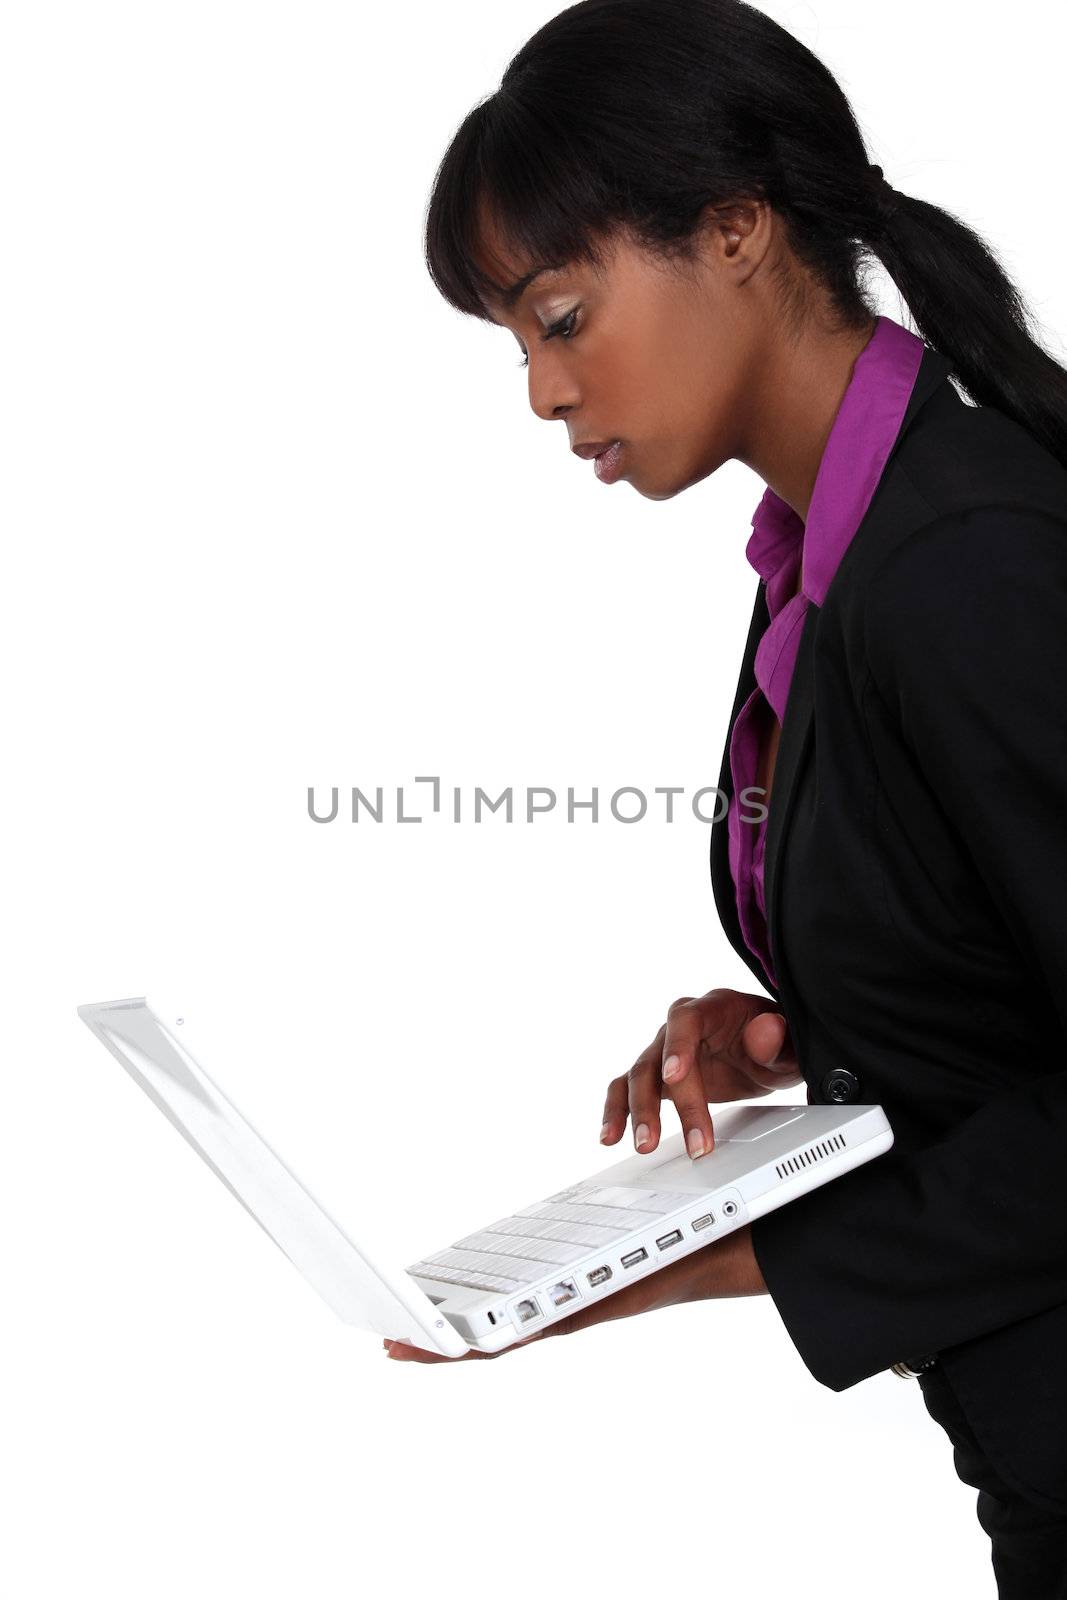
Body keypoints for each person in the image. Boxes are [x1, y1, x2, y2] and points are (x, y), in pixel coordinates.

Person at [384, 1, 1067, 1590]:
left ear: (740, 230)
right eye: (517, 343)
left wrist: (696, 1260)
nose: (543, 395)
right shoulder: (822, 561)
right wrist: (802, 1032)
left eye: (560, 315)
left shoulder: (965, 561)